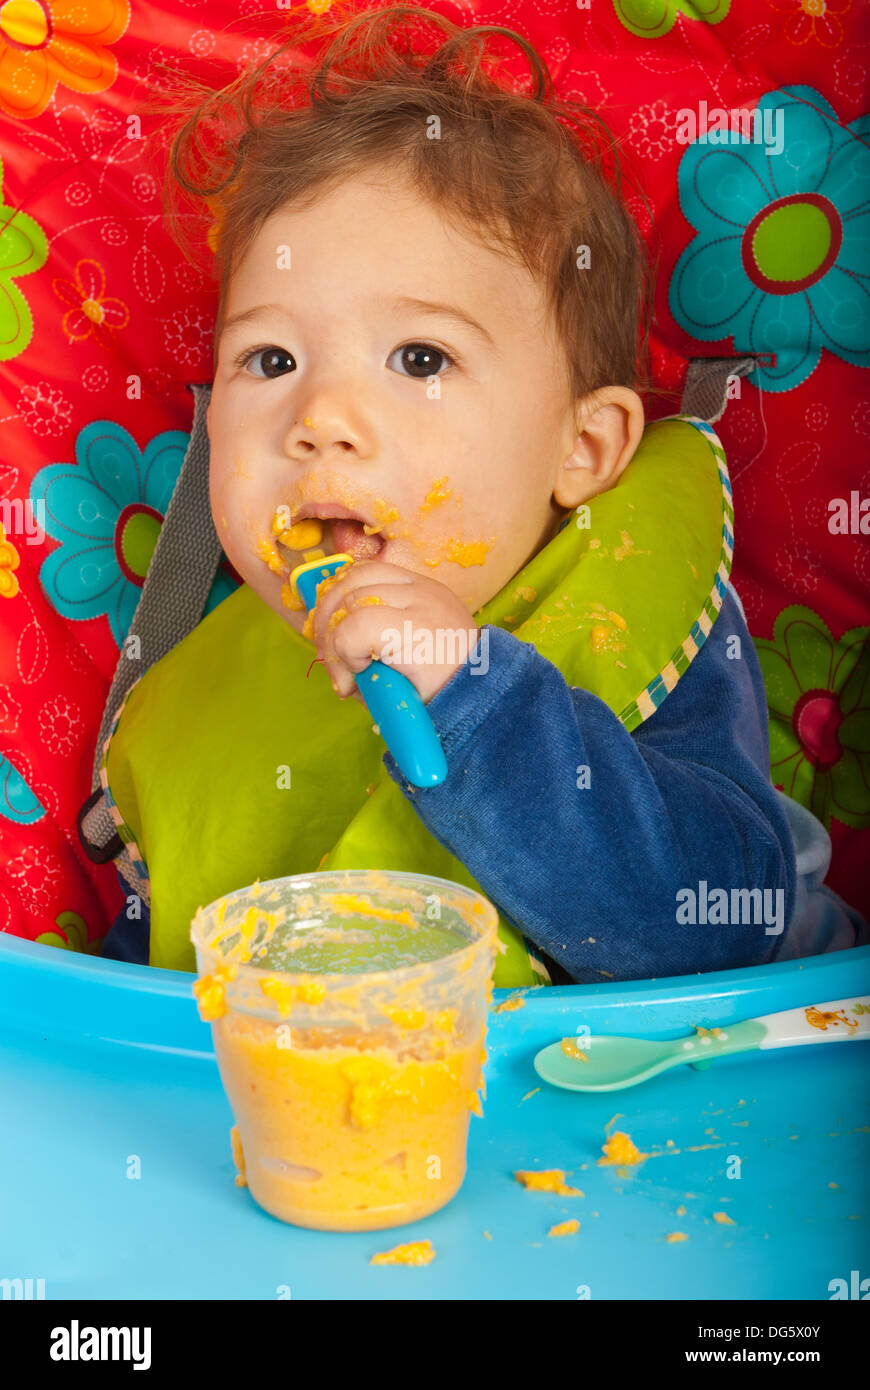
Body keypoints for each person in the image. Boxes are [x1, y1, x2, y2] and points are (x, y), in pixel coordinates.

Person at [99, 5, 866, 982]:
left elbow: (711, 922)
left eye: (420, 356)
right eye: (271, 356)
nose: (321, 416)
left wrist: (473, 697)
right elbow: (151, 1006)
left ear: (582, 448)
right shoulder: (206, 688)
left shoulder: (635, 608)